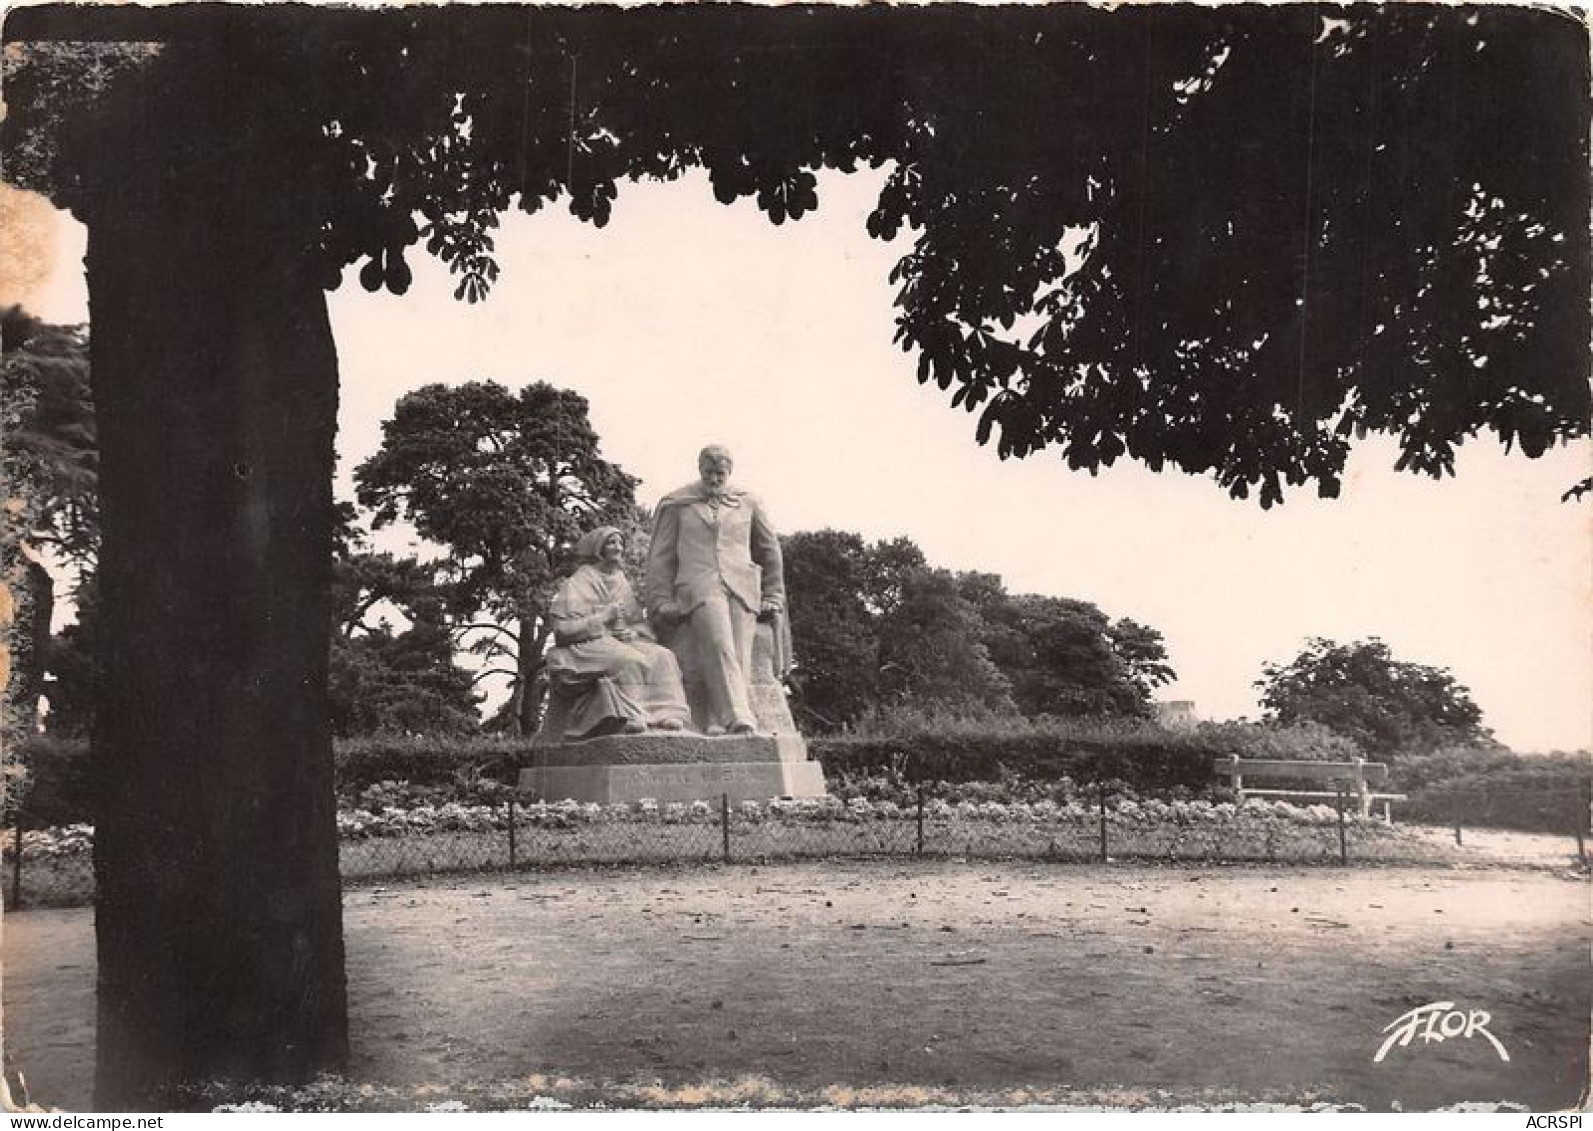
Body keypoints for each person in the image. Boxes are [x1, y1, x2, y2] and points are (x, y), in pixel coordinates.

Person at [645, 444, 789, 736]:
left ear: (730, 472)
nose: (714, 479)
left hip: (743, 586)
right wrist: (660, 599)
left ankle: (715, 718)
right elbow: (661, 557)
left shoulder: (749, 502)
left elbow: (769, 550)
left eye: (720, 474)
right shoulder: (677, 504)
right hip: (698, 585)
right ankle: (739, 716)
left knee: (737, 649)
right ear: (700, 469)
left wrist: (773, 595)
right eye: (709, 473)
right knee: (719, 641)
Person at [543, 525, 690, 740]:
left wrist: (633, 633)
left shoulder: (620, 580)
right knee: (628, 659)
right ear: (598, 549)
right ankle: (634, 716)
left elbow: (637, 622)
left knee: (663, 656)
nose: (618, 548)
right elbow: (563, 631)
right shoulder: (579, 582)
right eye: (611, 543)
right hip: (581, 648)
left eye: (620, 543)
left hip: (615, 642)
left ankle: (667, 712)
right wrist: (603, 617)